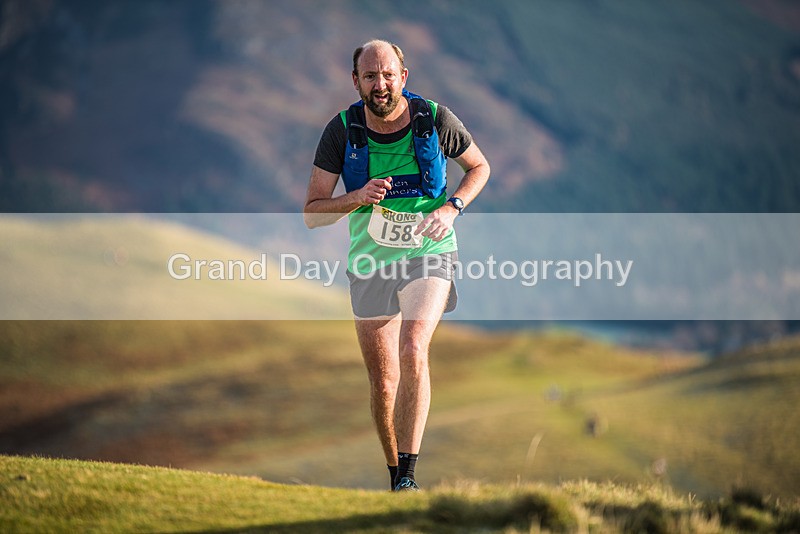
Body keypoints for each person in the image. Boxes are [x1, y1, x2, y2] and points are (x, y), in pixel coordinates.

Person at [304, 39, 490, 492]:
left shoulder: (435, 119)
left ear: (403, 77)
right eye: (371, 76)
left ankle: (409, 473)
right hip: (369, 262)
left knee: (413, 349)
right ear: (356, 81)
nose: (380, 84)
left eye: (388, 74)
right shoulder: (341, 131)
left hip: (430, 251)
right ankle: (396, 476)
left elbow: (479, 167)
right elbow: (312, 212)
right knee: (384, 383)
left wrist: (451, 208)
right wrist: (356, 197)